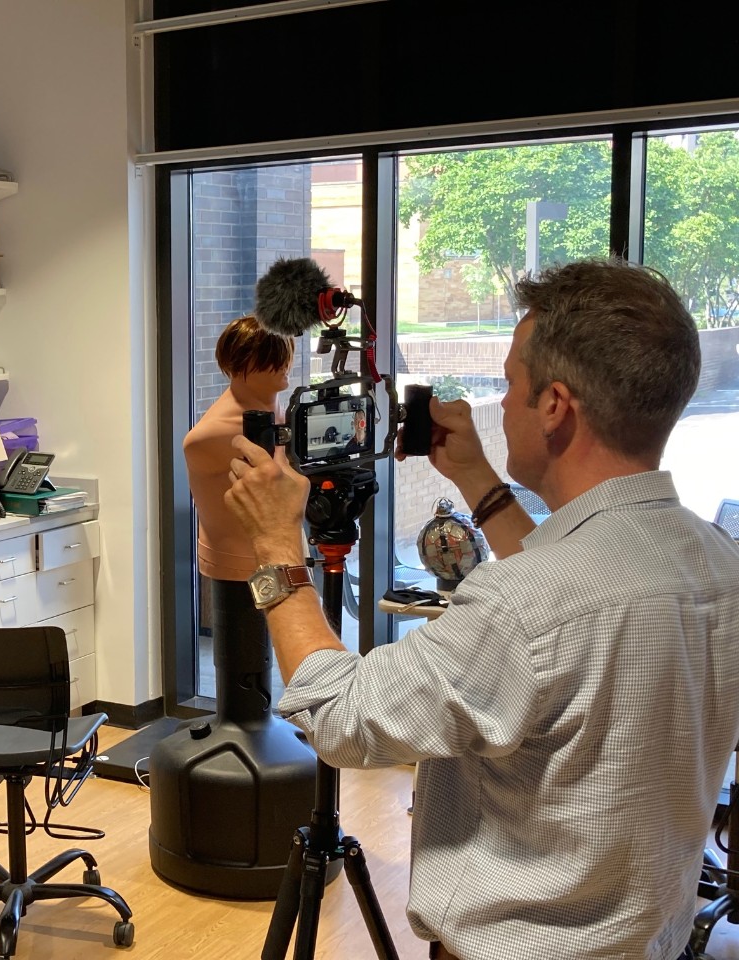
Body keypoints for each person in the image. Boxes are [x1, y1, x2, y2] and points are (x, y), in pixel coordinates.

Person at [224, 258, 739, 960]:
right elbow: (569, 587)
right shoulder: (717, 560)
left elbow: (337, 717)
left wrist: (277, 550)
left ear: (555, 406)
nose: (500, 405)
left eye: (510, 386)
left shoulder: (521, 606)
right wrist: (474, 476)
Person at [183, 314, 294, 582]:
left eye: (286, 353)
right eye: (272, 357)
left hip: (283, 557)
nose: (285, 364)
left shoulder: (280, 412)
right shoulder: (215, 433)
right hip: (236, 571)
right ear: (240, 363)